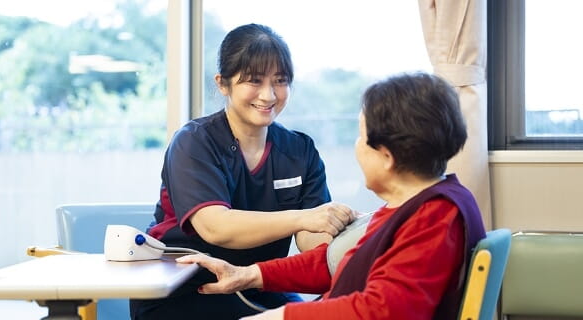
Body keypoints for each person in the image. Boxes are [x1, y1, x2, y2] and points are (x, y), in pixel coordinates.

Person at [177, 72, 487, 320]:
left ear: (387, 156)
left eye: (362, 136)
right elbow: (331, 263)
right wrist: (246, 275)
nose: (356, 146)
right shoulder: (415, 207)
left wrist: (281, 316)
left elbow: (385, 311)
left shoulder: (432, 218)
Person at [129, 23, 356, 320]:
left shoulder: (300, 150)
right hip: (184, 288)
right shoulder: (194, 141)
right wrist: (304, 217)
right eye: (254, 81)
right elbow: (215, 226)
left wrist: (350, 233)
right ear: (223, 83)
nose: (268, 95)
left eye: (280, 80)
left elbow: (311, 239)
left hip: (258, 281)